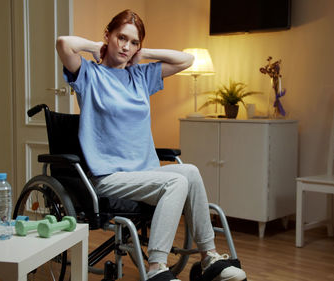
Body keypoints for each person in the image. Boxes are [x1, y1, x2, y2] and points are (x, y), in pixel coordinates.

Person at [56, 9, 247, 281]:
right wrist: (95, 47)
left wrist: (143, 54)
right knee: (176, 182)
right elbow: (64, 43)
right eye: (121, 37)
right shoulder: (89, 75)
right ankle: (157, 268)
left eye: (134, 42)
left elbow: (187, 60)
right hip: (108, 177)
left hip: (144, 173)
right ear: (108, 35)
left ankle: (208, 259)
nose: (126, 46)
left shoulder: (141, 76)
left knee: (190, 171)